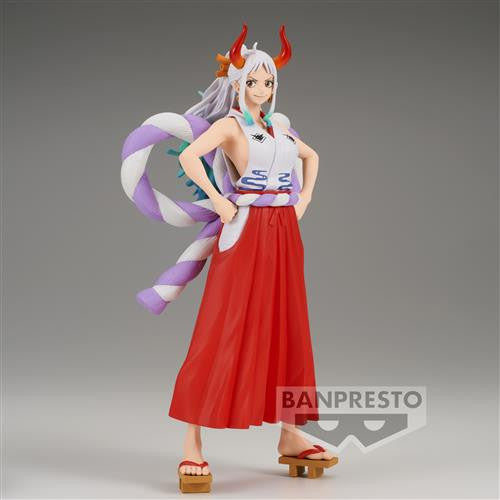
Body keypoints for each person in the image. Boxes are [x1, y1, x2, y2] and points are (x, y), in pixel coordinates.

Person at [164, 24, 335, 483]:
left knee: (290, 324)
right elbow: (189, 157)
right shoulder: (230, 125)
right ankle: (192, 441)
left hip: (283, 230)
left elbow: (312, 157)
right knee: (222, 325)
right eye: (255, 81)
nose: (263, 88)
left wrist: (303, 199)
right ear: (239, 83)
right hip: (244, 228)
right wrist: (219, 200)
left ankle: (291, 432)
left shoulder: (279, 127)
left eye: (269, 81)